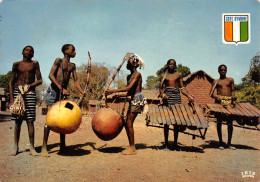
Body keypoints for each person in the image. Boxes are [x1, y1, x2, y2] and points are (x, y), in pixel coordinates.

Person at [41, 44, 85, 156]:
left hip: (63, 93)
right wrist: (61, 88)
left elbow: (75, 81)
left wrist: (81, 91)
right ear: (66, 51)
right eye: (73, 50)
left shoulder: (72, 65)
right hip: (53, 92)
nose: (75, 52)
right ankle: (44, 147)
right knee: (49, 119)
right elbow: (50, 75)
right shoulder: (58, 61)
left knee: (64, 118)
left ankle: (63, 146)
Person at [105, 53, 146, 155]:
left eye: (129, 62)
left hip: (138, 99)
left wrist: (113, 91)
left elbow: (129, 88)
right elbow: (129, 92)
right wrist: (118, 95)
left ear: (135, 64)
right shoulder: (129, 76)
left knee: (129, 122)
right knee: (127, 123)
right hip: (133, 98)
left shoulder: (137, 74)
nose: (127, 64)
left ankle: (132, 148)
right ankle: (131, 146)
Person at [9, 45, 42, 156]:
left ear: (33, 54)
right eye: (27, 50)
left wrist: (30, 85)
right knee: (17, 120)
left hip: (30, 94)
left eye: (31, 51)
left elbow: (40, 80)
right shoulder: (16, 65)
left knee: (30, 120)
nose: (29, 52)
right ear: (22, 52)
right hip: (18, 94)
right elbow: (11, 82)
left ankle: (32, 147)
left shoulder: (34, 64)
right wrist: (12, 100)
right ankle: (15, 146)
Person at [159, 59, 194, 149]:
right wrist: (163, 95)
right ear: (167, 65)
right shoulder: (163, 76)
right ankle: (166, 143)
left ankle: (175, 143)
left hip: (176, 98)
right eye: (170, 64)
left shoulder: (179, 75)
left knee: (176, 122)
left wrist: (188, 95)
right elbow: (161, 88)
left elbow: (182, 88)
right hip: (167, 100)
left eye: (173, 64)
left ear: (175, 65)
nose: (171, 65)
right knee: (166, 122)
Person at [209, 64, 236, 150]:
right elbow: (211, 93)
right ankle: (220, 142)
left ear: (226, 71)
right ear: (218, 71)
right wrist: (217, 97)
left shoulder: (230, 80)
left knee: (230, 123)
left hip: (228, 104)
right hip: (219, 104)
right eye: (221, 70)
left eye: (224, 70)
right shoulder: (216, 81)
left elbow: (232, 91)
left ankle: (229, 143)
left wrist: (233, 97)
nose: (223, 71)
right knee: (219, 122)